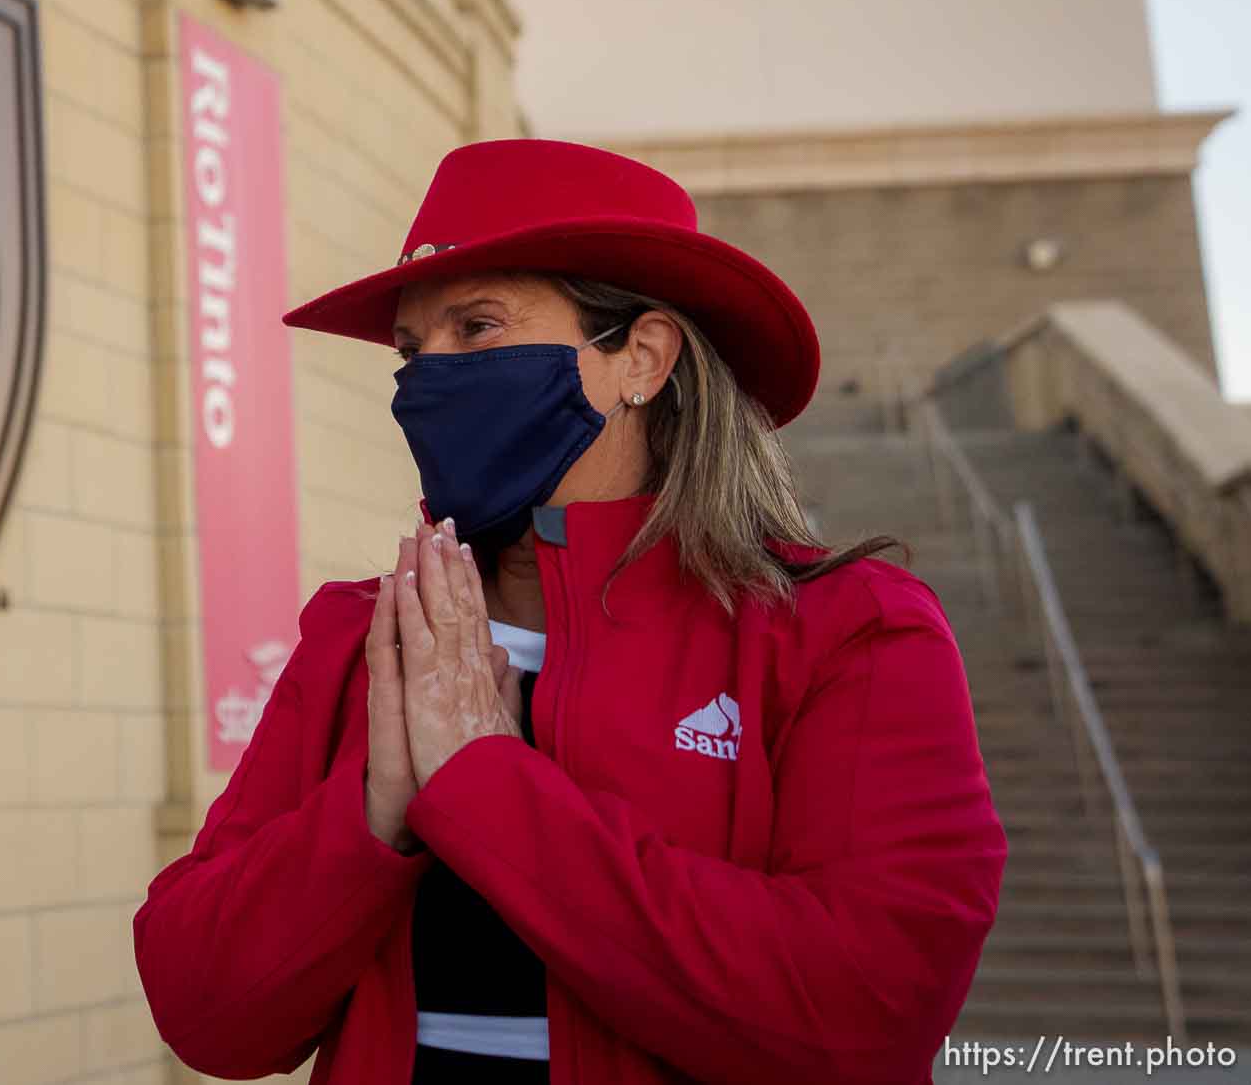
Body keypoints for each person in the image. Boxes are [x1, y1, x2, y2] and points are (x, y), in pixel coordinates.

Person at [132, 139, 1006, 1085]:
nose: (429, 380)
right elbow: (203, 1010)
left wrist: (480, 781)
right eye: (412, 349)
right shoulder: (363, 635)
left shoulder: (848, 629)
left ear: (641, 357)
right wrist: (374, 811)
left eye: (478, 327)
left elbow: (867, 1012)